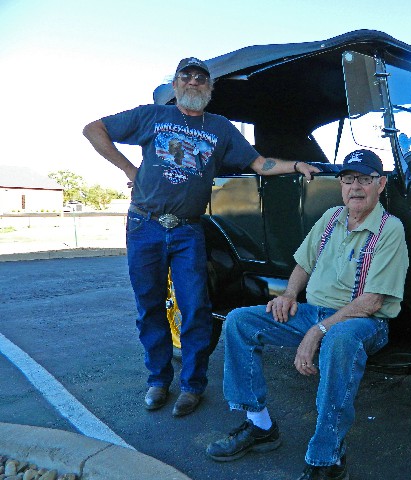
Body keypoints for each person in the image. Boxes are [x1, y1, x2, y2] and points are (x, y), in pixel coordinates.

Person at [83, 57, 319, 417]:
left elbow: (260, 165)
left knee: (196, 308)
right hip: (144, 225)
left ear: (209, 89)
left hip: (188, 229)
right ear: (176, 85)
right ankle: (158, 380)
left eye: (201, 78)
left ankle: (192, 386)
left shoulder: (221, 128)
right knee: (149, 307)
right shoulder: (153, 116)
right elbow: (93, 129)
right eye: (186, 76)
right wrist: (131, 168)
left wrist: (296, 165)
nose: (193, 82)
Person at [206, 149, 409, 479]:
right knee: (240, 321)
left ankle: (326, 457)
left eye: (364, 179)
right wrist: (288, 295)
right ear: (341, 184)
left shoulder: (390, 230)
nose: (355, 187)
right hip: (313, 312)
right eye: (348, 178)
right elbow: (303, 263)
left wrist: (319, 331)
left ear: (380, 184)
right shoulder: (331, 217)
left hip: (363, 322)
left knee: (338, 341)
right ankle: (259, 427)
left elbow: (373, 301)